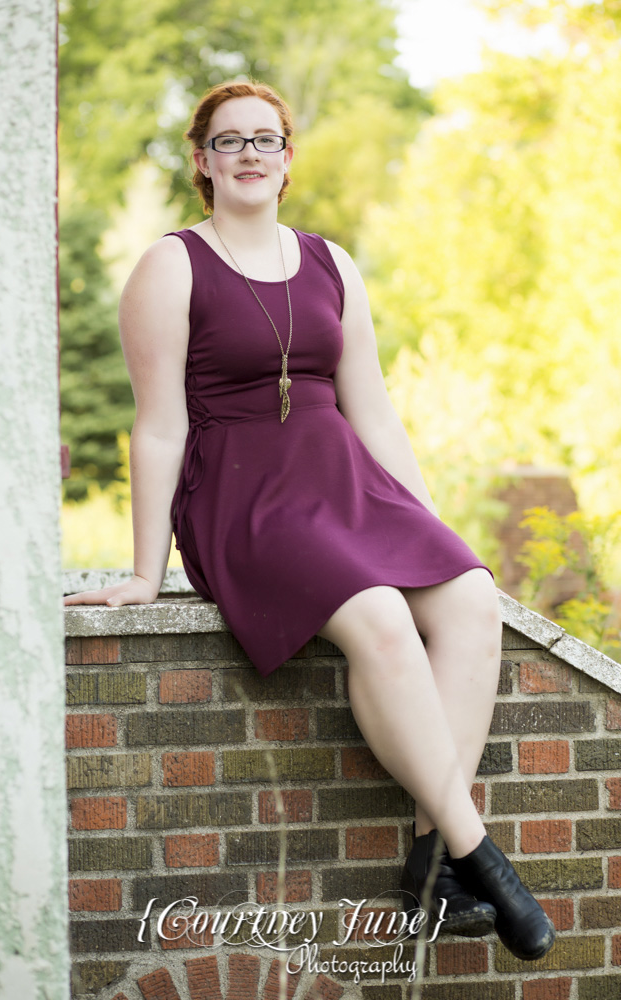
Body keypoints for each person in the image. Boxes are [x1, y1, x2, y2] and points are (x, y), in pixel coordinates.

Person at [64, 80, 555, 960]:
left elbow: (372, 410)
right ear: (202, 163)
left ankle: (430, 865)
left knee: (472, 596)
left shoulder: (332, 263)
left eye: (265, 138)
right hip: (241, 499)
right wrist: (144, 572)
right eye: (228, 141)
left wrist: (425, 524)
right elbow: (157, 423)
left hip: (344, 486)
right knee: (377, 619)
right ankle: (475, 854)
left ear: (287, 158)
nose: (248, 152)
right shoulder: (171, 264)